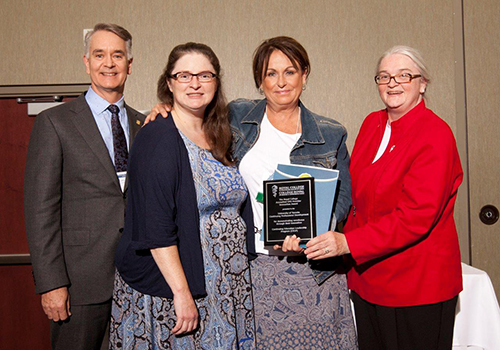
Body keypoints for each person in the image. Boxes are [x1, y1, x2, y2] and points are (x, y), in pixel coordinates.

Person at [149, 36, 357, 350]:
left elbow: (342, 196)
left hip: (315, 273)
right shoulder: (237, 118)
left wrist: (317, 229)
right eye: (271, 73)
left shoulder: (330, 132)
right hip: (253, 269)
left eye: (290, 71)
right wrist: (167, 106)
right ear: (260, 80)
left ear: (305, 74)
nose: (281, 82)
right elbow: (193, 121)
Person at [305, 46, 463, 350]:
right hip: (369, 280)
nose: (393, 83)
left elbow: (415, 217)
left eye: (404, 75)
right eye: (385, 76)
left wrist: (348, 243)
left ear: (422, 83)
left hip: (416, 286)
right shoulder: (371, 124)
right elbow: (351, 193)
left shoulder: (435, 135)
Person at [110, 42, 256, 349]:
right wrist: (181, 293)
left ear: (216, 82)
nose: (195, 83)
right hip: (182, 285)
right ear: (169, 83)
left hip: (226, 284)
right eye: (184, 75)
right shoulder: (158, 135)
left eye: (205, 75)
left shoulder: (219, 133)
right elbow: (156, 225)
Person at [24, 23, 144, 350]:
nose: (109, 63)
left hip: (137, 280)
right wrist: (51, 284)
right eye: (100, 55)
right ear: (86, 61)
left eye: (117, 55)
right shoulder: (55, 122)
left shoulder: (143, 123)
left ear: (129, 65)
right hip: (80, 283)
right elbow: (40, 211)